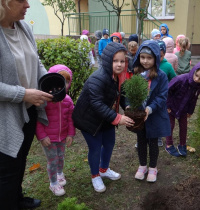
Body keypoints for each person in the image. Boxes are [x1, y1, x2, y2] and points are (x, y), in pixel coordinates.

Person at [0, 0, 53, 209]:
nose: (28, 5)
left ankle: (17, 198)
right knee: (6, 169)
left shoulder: (23, 28)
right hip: (5, 117)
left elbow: (36, 61)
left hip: (28, 111)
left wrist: (49, 80)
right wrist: (22, 94)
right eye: (21, 0)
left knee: (20, 159)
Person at [72, 42, 134, 192]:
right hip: (89, 120)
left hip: (106, 117)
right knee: (95, 148)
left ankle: (104, 169)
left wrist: (127, 106)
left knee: (109, 143)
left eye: (122, 61)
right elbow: (96, 103)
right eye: (115, 61)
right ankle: (95, 176)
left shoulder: (119, 76)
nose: (119, 64)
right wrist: (118, 118)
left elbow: (122, 94)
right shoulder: (98, 78)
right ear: (107, 61)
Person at [130, 40, 171, 182]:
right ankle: (142, 166)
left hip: (154, 116)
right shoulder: (136, 75)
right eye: (142, 57)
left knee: (153, 142)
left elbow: (162, 96)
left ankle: (153, 167)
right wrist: (130, 105)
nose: (145, 61)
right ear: (138, 58)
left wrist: (150, 108)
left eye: (149, 58)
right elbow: (130, 93)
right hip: (140, 117)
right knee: (141, 141)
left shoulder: (161, 76)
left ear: (155, 58)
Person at [36, 65, 76, 196]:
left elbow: (70, 118)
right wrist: (42, 136)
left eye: (65, 83)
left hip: (62, 136)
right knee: (52, 160)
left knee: (60, 157)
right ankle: (53, 183)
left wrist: (70, 133)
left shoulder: (68, 100)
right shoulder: (43, 101)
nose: (59, 88)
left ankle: (59, 173)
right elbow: (38, 119)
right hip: (49, 139)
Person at [166, 59, 200, 157]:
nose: (197, 79)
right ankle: (169, 144)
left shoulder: (198, 86)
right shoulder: (180, 79)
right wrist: (167, 105)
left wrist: (190, 111)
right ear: (195, 70)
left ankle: (182, 144)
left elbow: (194, 99)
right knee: (169, 126)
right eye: (196, 75)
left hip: (184, 109)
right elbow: (167, 91)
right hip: (172, 107)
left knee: (184, 127)